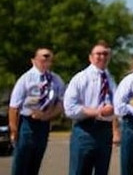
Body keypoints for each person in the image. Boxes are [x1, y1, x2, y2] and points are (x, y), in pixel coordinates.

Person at [64, 41, 120, 175]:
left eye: (105, 54)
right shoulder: (80, 78)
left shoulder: (111, 80)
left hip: (105, 132)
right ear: (90, 57)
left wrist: (116, 129)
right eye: (98, 54)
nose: (102, 56)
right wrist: (98, 111)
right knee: (79, 170)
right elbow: (70, 108)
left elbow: (117, 107)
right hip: (85, 130)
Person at [8, 47, 66, 175]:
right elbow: (14, 106)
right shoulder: (26, 79)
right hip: (27, 124)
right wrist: (14, 130)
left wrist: (47, 116)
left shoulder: (56, 80)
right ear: (33, 61)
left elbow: (62, 103)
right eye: (42, 58)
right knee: (21, 161)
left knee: (36, 160)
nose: (46, 61)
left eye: (49, 58)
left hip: (43, 125)